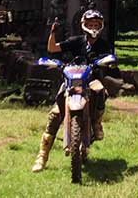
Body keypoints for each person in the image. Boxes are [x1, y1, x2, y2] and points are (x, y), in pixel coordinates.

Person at [31, 9, 114, 173]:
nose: (94, 27)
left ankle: (97, 123)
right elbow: (53, 49)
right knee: (55, 114)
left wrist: (106, 62)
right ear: (84, 25)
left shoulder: (103, 44)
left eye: (97, 24)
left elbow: (110, 59)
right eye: (90, 24)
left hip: (91, 80)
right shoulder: (76, 41)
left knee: (100, 90)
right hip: (72, 80)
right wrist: (53, 32)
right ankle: (41, 157)